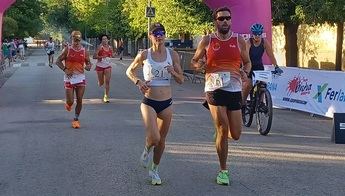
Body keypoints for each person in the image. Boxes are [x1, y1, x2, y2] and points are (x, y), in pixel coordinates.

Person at [191, 6, 251, 185]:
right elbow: (194, 61)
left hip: (234, 89)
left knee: (236, 134)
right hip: (214, 88)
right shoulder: (207, 40)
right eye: (221, 18)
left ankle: (219, 136)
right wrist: (200, 65)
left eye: (227, 18)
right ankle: (223, 170)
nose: (225, 21)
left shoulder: (239, 40)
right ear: (215, 21)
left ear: (231, 20)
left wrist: (245, 72)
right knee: (223, 130)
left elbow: (247, 63)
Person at [126, 22, 184, 185]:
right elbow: (129, 70)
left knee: (162, 140)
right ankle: (146, 148)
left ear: (165, 35)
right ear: (150, 37)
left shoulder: (173, 55)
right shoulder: (144, 54)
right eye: (155, 34)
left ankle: (155, 170)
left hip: (167, 102)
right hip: (149, 101)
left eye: (162, 33)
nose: (159, 36)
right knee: (154, 137)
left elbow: (181, 80)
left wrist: (174, 72)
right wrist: (138, 82)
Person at [55, 31, 92, 129]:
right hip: (69, 78)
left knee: (79, 99)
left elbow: (88, 63)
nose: (76, 42)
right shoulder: (67, 50)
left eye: (78, 40)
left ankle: (76, 119)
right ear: (71, 39)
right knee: (71, 101)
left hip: (80, 77)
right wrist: (65, 69)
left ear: (80, 40)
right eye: (74, 40)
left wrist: (88, 66)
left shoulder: (85, 51)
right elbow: (57, 61)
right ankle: (68, 104)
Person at [94, 34, 114, 103]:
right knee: (101, 83)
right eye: (103, 39)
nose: (105, 40)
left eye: (106, 39)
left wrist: (112, 55)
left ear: (108, 40)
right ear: (101, 40)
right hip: (100, 66)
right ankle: (100, 81)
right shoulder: (99, 47)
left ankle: (106, 96)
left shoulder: (110, 47)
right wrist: (102, 56)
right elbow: (94, 56)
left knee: (107, 82)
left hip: (107, 66)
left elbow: (112, 55)